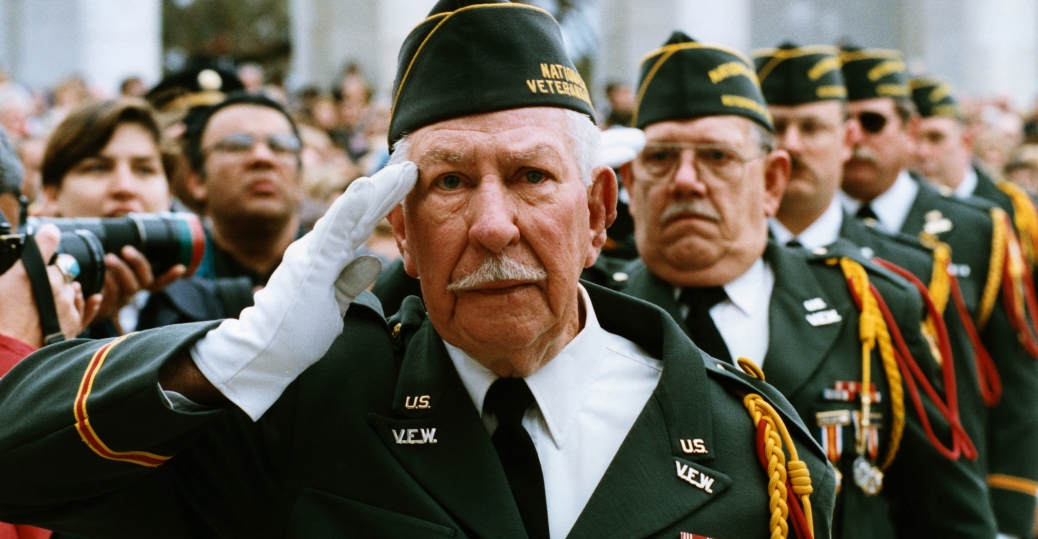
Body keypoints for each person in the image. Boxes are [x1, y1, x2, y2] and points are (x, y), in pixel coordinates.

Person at [0, 2, 836, 538]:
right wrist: (234, 357)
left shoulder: (744, 438)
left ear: (599, 211)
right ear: (397, 227)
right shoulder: (313, 399)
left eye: (532, 176)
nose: (493, 222)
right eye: (448, 183)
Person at [609, 31, 994, 537]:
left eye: (716, 157)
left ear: (771, 182)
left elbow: (951, 517)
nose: (685, 180)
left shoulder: (872, 307)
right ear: (631, 184)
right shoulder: (592, 315)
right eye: (660, 158)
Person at [757, 42, 1000, 529]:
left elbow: (950, 459)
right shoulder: (702, 272)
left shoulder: (910, 273)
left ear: (847, 139)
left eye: (811, 127)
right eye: (776, 127)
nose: (793, 144)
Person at [840, 47, 1038, 537]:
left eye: (871, 121)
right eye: (842, 122)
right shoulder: (800, 231)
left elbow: (1015, 386)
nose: (855, 138)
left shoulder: (978, 229)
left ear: (908, 132)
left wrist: (1009, 511)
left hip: (953, 502)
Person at [38, 98, 251, 335]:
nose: (124, 187)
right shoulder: (15, 310)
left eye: (144, 169)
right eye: (98, 167)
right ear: (51, 195)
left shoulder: (228, 311)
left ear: (169, 192)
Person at [182, 92, 304, 286]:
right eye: (237, 145)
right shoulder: (170, 282)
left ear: (299, 178)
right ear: (197, 180)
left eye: (280, 146)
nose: (263, 157)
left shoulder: (347, 275)